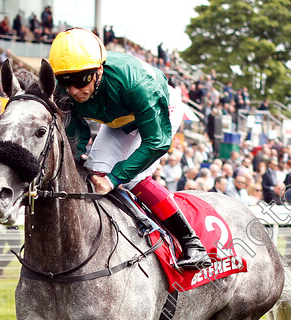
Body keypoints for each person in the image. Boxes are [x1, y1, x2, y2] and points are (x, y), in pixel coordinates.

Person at [49, 28, 211, 269]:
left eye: (81, 80)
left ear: (99, 70)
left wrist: (115, 179)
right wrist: (76, 159)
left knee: (133, 176)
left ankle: (192, 243)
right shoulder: (64, 87)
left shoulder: (137, 83)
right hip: (119, 119)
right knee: (95, 173)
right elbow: (76, 130)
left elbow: (156, 142)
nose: (73, 91)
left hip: (159, 110)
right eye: (65, 82)